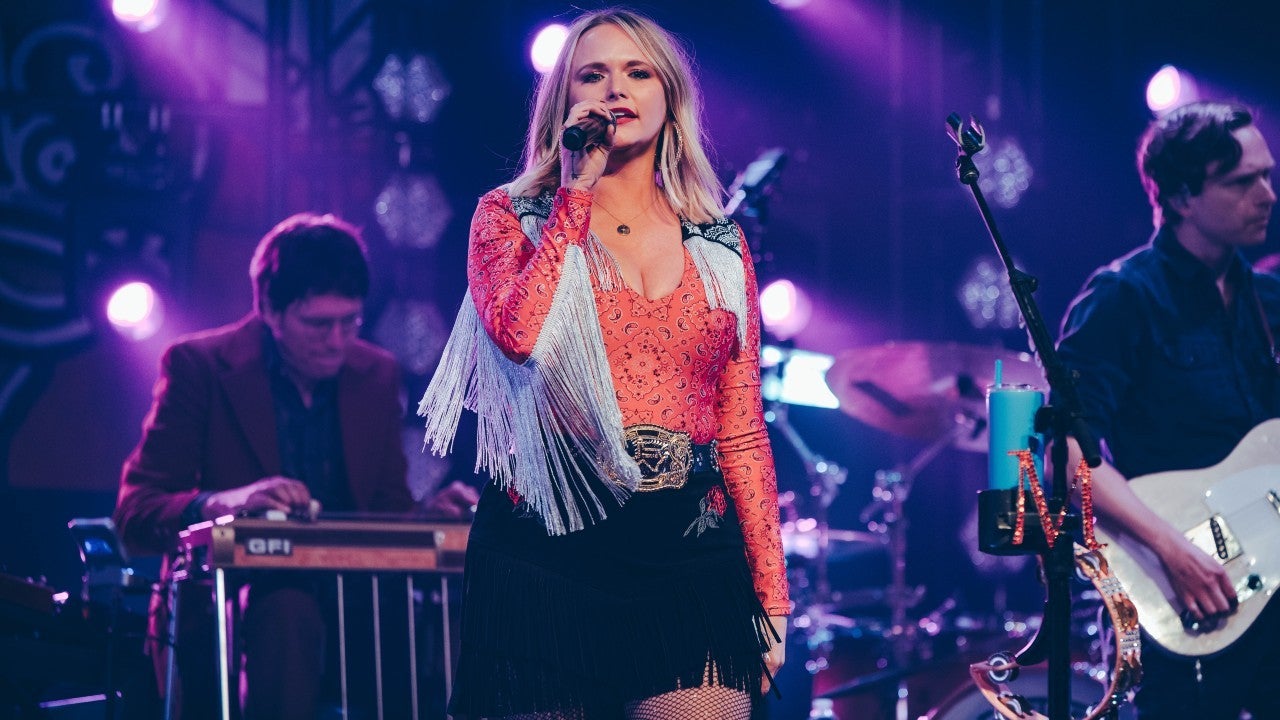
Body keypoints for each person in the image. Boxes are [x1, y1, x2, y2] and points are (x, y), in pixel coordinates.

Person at [418, 8, 788, 719]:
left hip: (687, 552)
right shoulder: (511, 217)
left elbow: (741, 428)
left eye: (637, 72)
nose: (616, 88)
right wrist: (575, 194)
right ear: (564, 102)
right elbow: (520, 334)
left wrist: (772, 596)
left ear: (670, 96)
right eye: (593, 74)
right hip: (547, 553)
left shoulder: (719, 243)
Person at [113, 212, 478, 720]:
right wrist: (225, 504)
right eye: (318, 324)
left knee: (453, 613)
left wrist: (428, 518)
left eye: (350, 322)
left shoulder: (376, 374)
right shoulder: (198, 367)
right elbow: (135, 513)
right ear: (269, 309)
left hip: (360, 612)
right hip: (233, 614)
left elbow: (385, 514)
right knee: (287, 608)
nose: (337, 340)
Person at [1056, 101, 1280, 719]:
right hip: (1178, 594)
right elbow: (1065, 450)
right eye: (1242, 182)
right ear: (1180, 197)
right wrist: (1173, 551)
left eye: (1268, 176)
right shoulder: (1124, 297)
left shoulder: (1269, 301)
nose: (1267, 195)